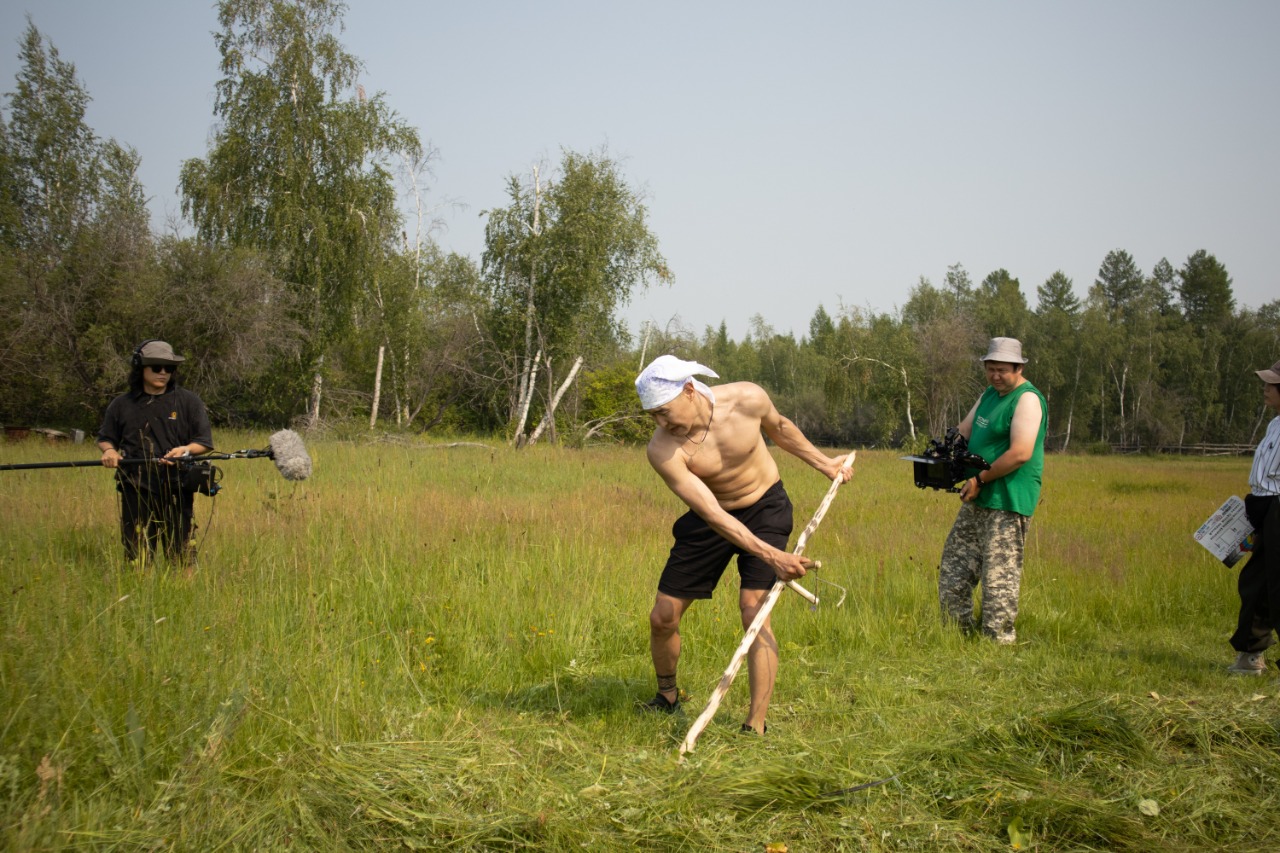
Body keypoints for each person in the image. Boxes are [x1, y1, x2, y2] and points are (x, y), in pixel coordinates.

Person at [635, 354, 852, 734]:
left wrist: (825, 464)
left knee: (754, 610)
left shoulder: (747, 399)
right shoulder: (662, 450)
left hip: (765, 506)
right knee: (662, 616)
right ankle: (666, 697)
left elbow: (781, 429)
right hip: (712, 518)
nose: (661, 423)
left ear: (689, 390)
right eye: (653, 415)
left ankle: (755, 725)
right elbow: (713, 514)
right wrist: (773, 556)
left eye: (664, 412)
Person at [937, 337, 1046, 645]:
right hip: (977, 497)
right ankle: (956, 635)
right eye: (990, 369)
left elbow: (1020, 453)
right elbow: (964, 430)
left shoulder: (1027, 399)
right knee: (954, 569)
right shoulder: (989, 394)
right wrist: (942, 454)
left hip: (1007, 499)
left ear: (1019, 367)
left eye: (1002, 370)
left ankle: (997, 645)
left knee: (999, 579)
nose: (996, 376)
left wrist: (980, 479)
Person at [97, 340, 213, 565]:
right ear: (141, 367)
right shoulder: (121, 404)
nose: (163, 372)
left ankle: (185, 593)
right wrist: (109, 451)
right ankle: (139, 590)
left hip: (177, 484)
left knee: (182, 551)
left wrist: (186, 450)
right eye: (156, 367)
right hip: (135, 484)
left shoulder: (189, 401)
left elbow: (204, 442)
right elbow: (105, 438)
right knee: (137, 552)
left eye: (169, 368)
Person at [1227, 358, 1280, 675]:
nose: (1265, 388)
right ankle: (1251, 654)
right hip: (1266, 508)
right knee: (1256, 583)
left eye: (1271, 383)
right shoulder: (1274, 423)